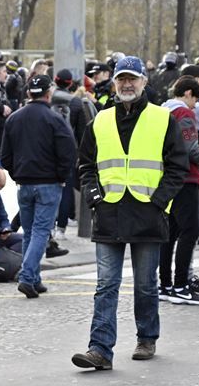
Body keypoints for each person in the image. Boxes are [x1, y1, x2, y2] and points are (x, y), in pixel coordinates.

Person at [72, 56, 188, 370]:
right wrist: (95, 197)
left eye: (132, 79)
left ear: (143, 82)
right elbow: (86, 165)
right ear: (114, 83)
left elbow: (178, 166)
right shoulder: (100, 120)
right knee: (106, 284)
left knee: (145, 284)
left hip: (147, 212)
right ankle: (100, 349)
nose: (126, 84)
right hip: (109, 212)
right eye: (122, 79)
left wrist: (159, 200)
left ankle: (147, 336)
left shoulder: (163, 119)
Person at [0, 74, 76, 298]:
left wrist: (16, 173)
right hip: (48, 182)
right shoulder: (54, 119)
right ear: (48, 93)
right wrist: (61, 176)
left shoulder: (14, 118)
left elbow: (5, 156)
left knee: (30, 232)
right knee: (41, 231)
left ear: (27, 93)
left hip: (24, 183)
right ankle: (27, 276)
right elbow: (68, 151)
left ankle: (34, 278)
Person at [158, 76, 199, 304]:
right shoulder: (184, 114)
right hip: (187, 177)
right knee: (191, 231)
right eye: (195, 98)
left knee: (171, 232)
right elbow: (190, 148)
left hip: (169, 177)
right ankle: (181, 285)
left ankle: (165, 284)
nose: (195, 104)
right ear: (187, 94)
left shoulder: (163, 112)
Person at [51, 69, 88, 239]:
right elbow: (81, 133)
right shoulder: (76, 103)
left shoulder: (47, 98)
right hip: (68, 151)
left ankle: (50, 225)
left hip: (47, 150)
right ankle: (61, 228)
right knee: (66, 190)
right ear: (70, 83)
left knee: (49, 189)